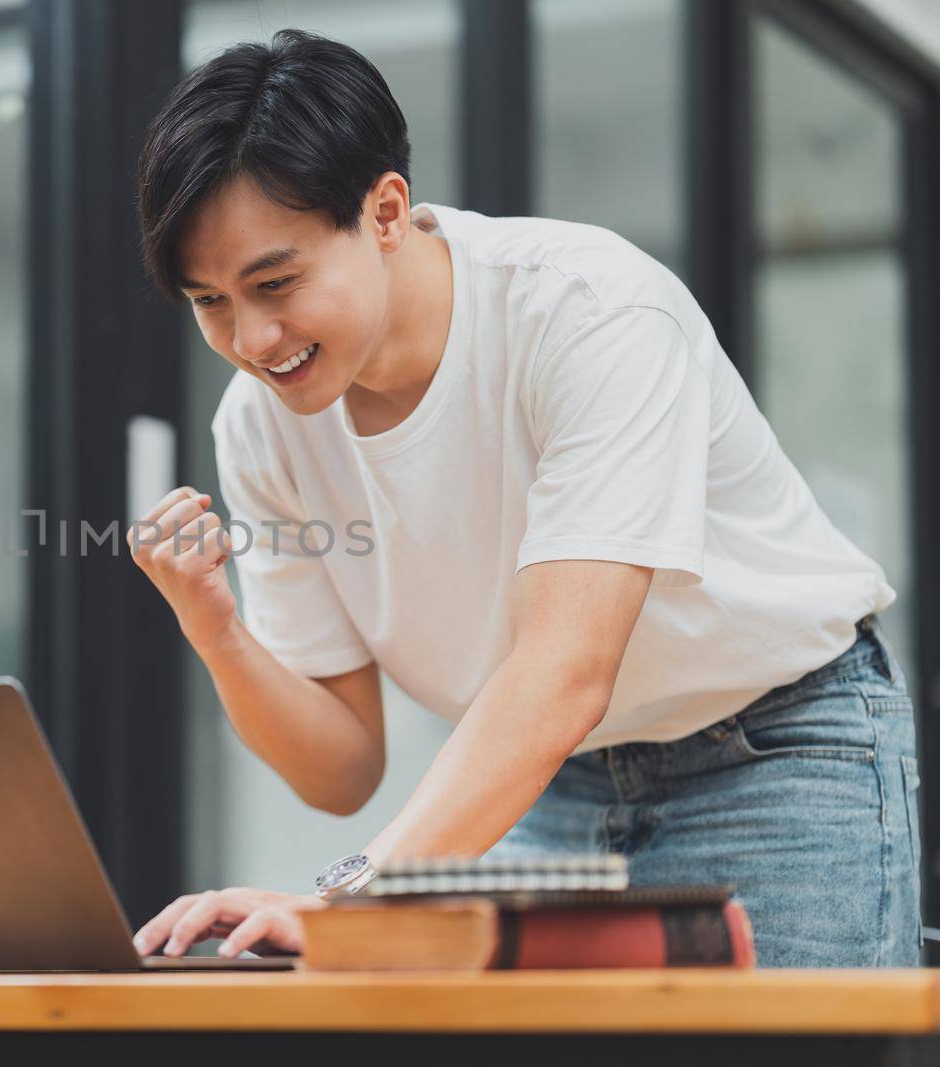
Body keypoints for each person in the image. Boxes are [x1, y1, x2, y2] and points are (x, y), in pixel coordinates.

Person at [124, 29, 918, 968]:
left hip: (775, 754)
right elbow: (341, 767)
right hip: (544, 784)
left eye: (275, 282)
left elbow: (565, 671)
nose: (253, 338)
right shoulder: (261, 424)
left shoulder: (590, 313)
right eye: (210, 301)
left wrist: (353, 898)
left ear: (385, 212)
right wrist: (215, 625)